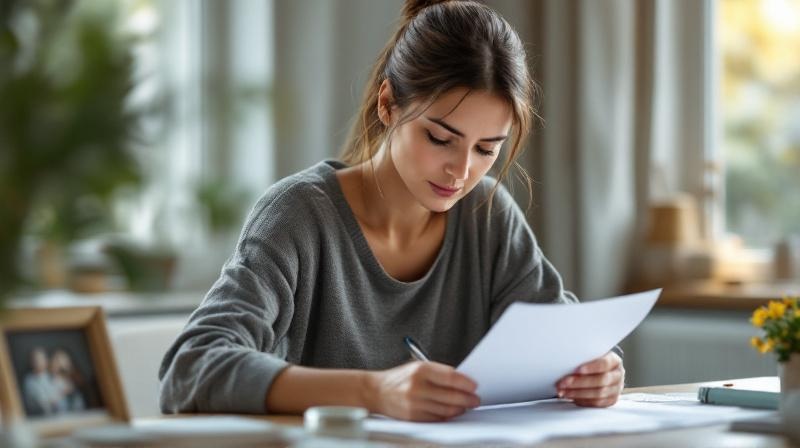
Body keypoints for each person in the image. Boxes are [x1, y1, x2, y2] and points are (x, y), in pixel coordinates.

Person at [159, 0, 625, 422]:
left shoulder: (487, 214)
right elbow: (190, 367)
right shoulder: (299, 215)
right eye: (439, 138)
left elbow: (565, 340)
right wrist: (375, 391)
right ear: (387, 104)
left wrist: (598, 369)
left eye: (486, 149)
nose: (461, 171)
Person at [22, 347, 60, 416]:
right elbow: (42, 402)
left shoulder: (51, 375)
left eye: (41, 359)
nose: (38, 362)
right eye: (35, 360)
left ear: (46, 360)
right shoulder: (29, 380)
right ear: (31, 362)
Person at [50, 348, 87, 412]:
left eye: (62, 359)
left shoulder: (76, 378)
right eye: (56, 359)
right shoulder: (51, 379)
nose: (59, 362)